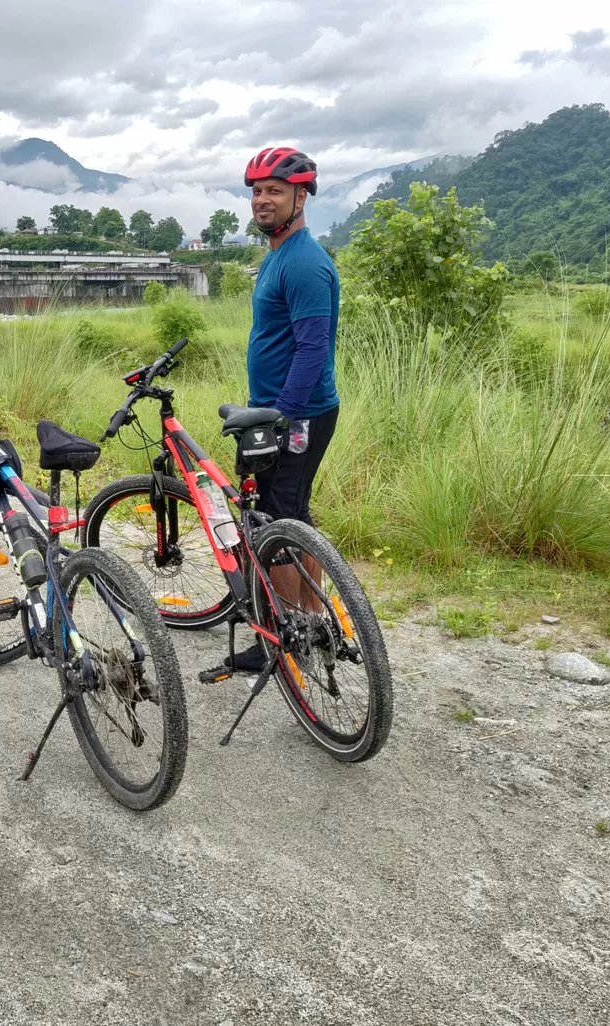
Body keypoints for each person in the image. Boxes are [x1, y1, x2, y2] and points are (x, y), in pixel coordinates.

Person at [228, 146, 340, 673]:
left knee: (273, 523)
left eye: (274, 190)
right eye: (256, 191)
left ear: (301, 196)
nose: (262, 200)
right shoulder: (279, 253)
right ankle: (311, 620)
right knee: (295, 515)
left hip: (296, 413)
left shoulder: (304, 264)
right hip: (285, 409)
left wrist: (283, 416)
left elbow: (315, 346)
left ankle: (284, 635)